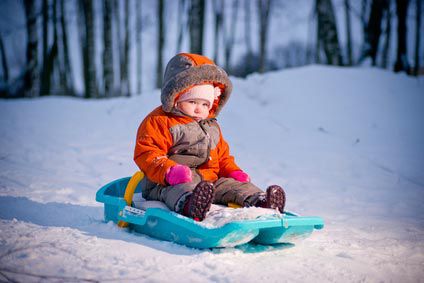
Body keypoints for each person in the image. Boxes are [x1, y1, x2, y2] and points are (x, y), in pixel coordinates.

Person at [134, 53, 285, 221]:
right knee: (179, 189)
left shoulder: (211, 126)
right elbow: (147, 153)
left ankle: (262, 201)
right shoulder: (160, 121)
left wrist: (232, 171)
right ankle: (191, 204)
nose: (199, 109)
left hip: (209, 181)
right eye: (192, 102)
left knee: (234, 187)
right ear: (176, 98)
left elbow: (222, 157)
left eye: (205, 104)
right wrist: (169, 171)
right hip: (166, 182)